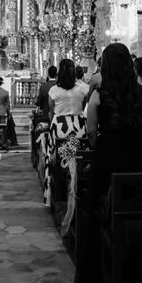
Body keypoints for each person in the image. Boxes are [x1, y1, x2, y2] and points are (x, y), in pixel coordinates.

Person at [78, 43, 142, 283]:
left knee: (100, 212)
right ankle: (137, 268)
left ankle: (99, 275)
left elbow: (90, 131)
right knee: (139, 209)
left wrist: (103, 146)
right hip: (139, 158)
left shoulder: (99, 95)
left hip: (108, 158)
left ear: (106, 66)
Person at [43, 59, 89, 206]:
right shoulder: (83, 89)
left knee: (58, 160)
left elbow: (51, 112)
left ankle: (58, 193)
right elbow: (83, 106)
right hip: (78, 127)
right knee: (77, 159)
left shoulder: (54, 90)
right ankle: (78, 190)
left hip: (60, 128)